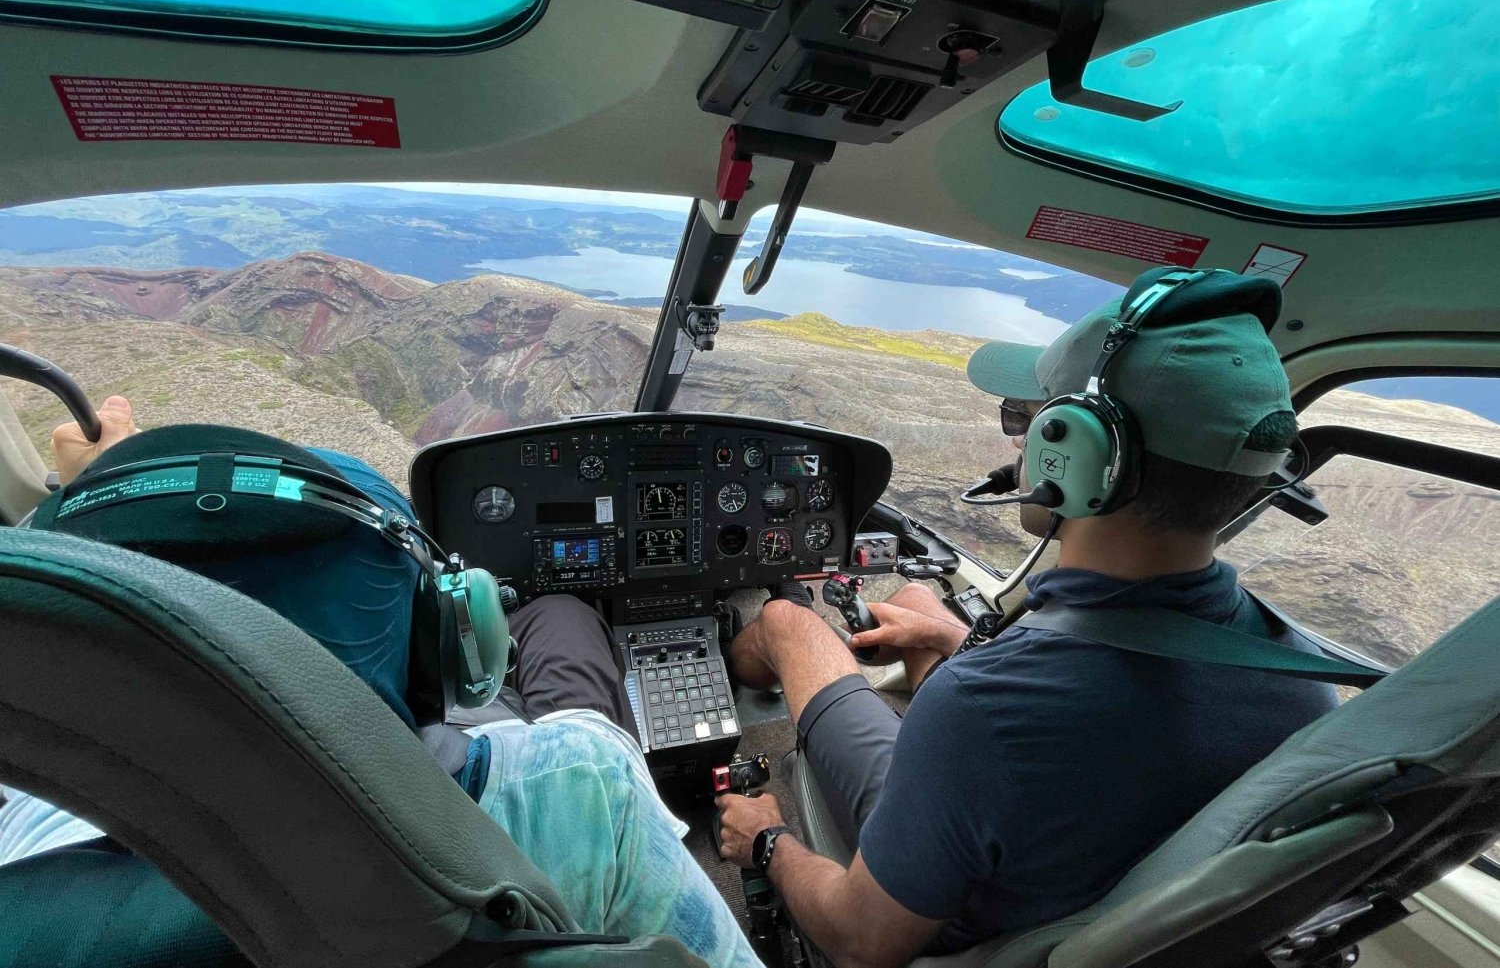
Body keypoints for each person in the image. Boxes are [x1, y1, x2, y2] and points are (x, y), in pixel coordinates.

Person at [715, 267, 1340, 967]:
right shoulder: (1302, 684)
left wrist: (768, 840)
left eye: (1031, 419)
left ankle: (723, 658)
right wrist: (955, 641)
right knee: (921, 603)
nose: (1018, 444)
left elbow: (864, 943)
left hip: (932, 914)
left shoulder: (980, 712)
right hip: (1063, 870)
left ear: (1078, 452)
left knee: (787, 622)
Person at [1, 396, 762, 968]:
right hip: (492, 784)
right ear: (445, 648)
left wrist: (107, 502)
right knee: (565, 631)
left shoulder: (29, 834)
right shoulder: (578, 792)